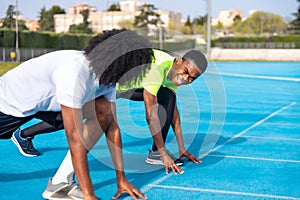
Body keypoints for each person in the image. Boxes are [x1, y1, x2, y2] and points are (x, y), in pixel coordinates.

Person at [0, 29, 154, 199]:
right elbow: (74, 138)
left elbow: (113, 128)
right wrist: (89, 195)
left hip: (46, 104)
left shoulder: (109, 77)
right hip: (9, 102)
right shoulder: (74, 72)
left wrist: (121, 178)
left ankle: (60, 183)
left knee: (105, 113)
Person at [117, 49, 208, 174]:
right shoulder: (159, 68)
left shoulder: (174, 73)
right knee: (88, 119)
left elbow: (172, 110)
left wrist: (181, 147)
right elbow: (151, 116)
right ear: (179, 61)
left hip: (129, 87)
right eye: (186, 72)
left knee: (169, 96)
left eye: (192, 78)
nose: (186, 78)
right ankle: (157, 153)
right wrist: (163, 153)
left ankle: (155, 153)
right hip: (112, 86)